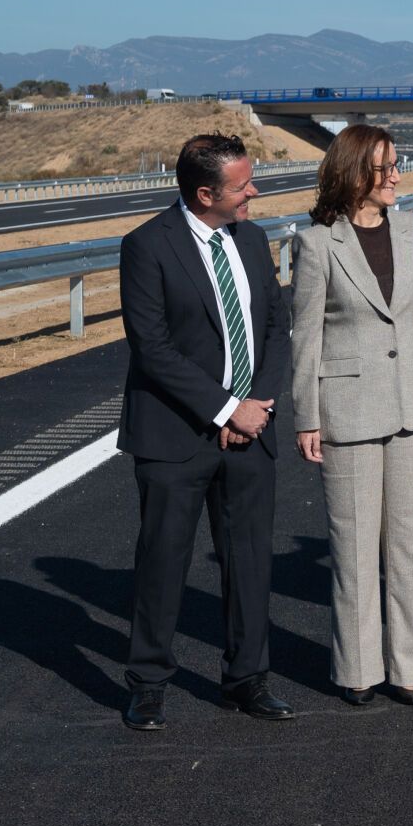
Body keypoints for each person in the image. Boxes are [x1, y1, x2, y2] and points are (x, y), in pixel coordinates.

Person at [117, 133, 293, 731]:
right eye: (243, 186)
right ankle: (148, 684)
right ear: (204, 194)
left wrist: (256, 406)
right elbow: (152, 347)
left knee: (250, 562)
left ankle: (248, 680)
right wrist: (225, 410)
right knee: (162, 562)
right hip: (176, 434)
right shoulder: (147, 246)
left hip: (253, 427)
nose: (254, 193)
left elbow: (275, 327)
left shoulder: (253, 239)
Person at [291, 125, 413, 706]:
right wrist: (306, 415)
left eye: (396, 164)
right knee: (355, 548)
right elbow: (305, 336)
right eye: (384, 167)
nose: (395, 176)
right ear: (354, 172)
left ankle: (412, 666)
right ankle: (357, 668)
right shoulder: (317, 244)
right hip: (347, 411)